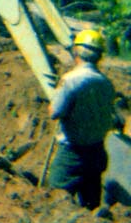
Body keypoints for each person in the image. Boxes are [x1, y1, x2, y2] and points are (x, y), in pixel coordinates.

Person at [47, 28, 119, 210]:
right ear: (99, 56)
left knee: (54, 201)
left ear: (76, 51)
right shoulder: (106, 83)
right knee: (91, 205)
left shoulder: (71, 80)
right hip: (97, 152)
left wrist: (55, 97)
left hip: (72, 154)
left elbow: (55, 112)